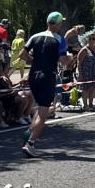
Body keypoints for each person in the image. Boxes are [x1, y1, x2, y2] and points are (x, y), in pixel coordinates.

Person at [20, 11, 74, 158]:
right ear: (57, 24)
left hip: (33, 75)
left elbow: (22, 55)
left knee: (41, 108)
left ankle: (28, 132)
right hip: (47, 76)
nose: (61, 25)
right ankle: (30, 143)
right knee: (44, 113)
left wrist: (35, 60)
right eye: (61, 23)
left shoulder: (35, 36)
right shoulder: (59, 39)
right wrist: (71, 59)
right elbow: (64, 61)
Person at [77, 32, 95, 110]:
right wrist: (80, 74)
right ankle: (85, 106)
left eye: (93, 39)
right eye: (90, 39)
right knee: (85, 89)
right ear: (87, 39)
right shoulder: (84, 49)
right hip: (86, 72)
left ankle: (91, 105)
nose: (91, 40)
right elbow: (79, 62)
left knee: (93, 89)